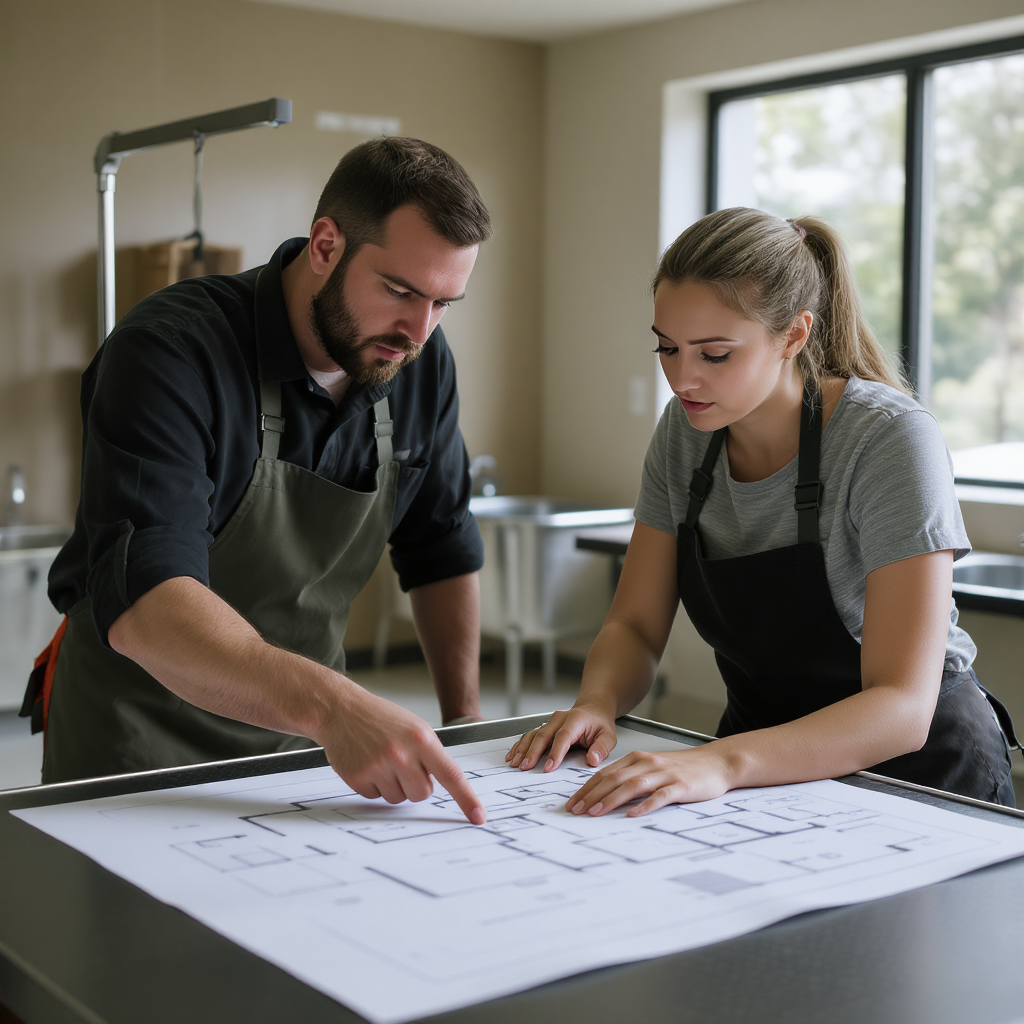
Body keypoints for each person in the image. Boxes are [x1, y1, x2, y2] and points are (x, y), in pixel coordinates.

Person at [23, 137, 491, 824]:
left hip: (298, 742)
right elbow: (150, 606)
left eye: (445, 303)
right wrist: (334, 704)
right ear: (326, 245)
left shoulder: (417, 359)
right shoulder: (170, 352)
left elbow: (441, 544)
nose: (417, 329)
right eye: (398, 290)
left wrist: (466, 721)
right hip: (137, 741)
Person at [508, 206, 1017, 812]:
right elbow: (635, 627)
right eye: (667, 348)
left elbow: (902, 707)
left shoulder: (887, 438)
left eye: (714, 354)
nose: (682, 378)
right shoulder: (685, 433)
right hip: (761, 758)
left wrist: (720, 762)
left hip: (915, 768)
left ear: (794, 336)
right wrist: (597, 702)